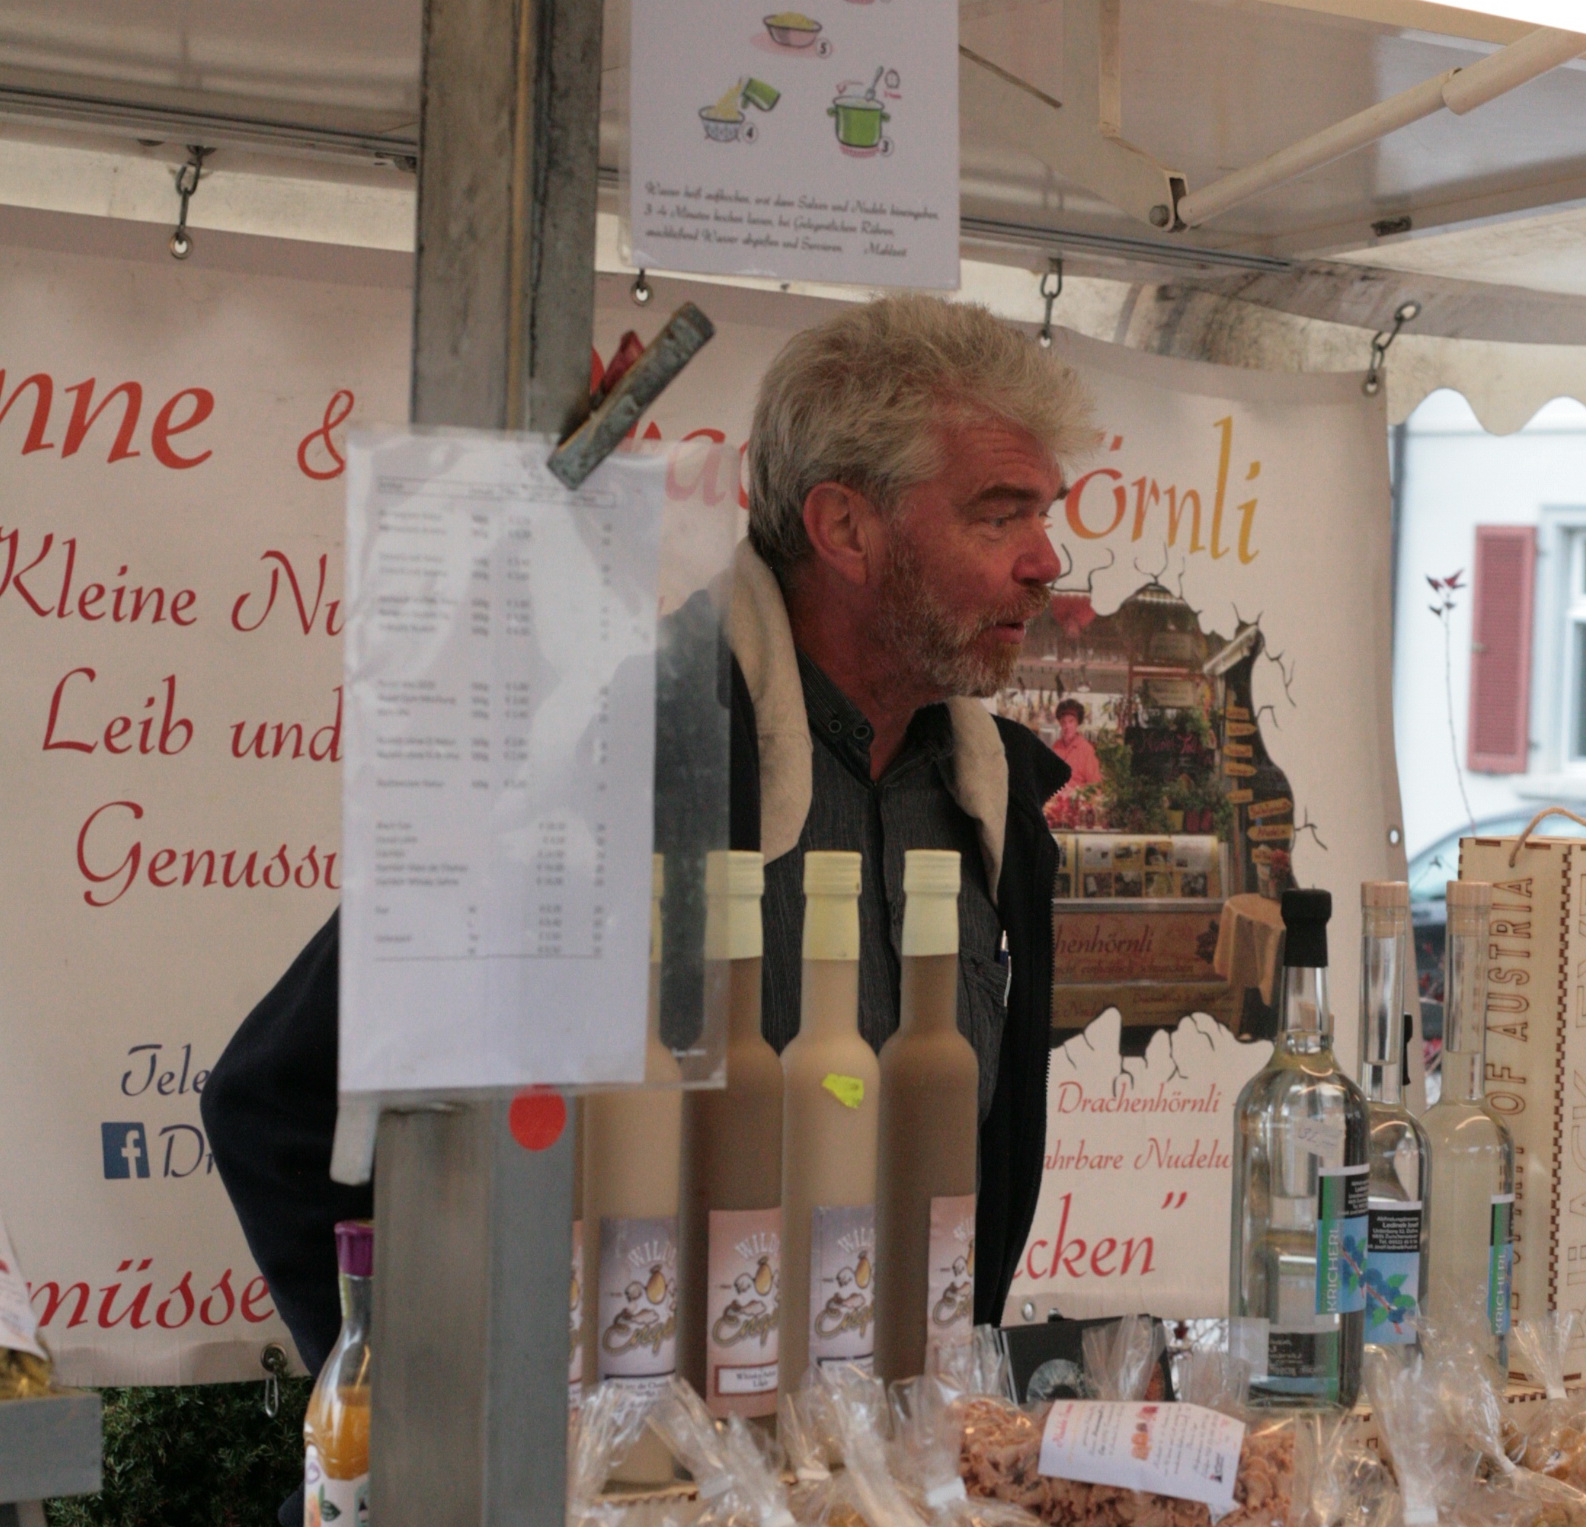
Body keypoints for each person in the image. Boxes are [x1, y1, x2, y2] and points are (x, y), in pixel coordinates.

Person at [201, 295, 1090, 1388]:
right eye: (999, 516)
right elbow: (277, 1101)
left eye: (1044, 514)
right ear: (844, 528)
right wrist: (421, 1402)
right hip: (654, 1472)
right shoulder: (621, 745)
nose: (1047, 559)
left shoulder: (994, 803)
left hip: (896, 1464)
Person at [1049, 698, 1102, 789]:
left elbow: (1096, 786)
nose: (1067, 726)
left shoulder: (1087, 750)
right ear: (1060, 724)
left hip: (1076, 797)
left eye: (1071, 721)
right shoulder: (1056, 746)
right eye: (1064, 722)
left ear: (1078, 723)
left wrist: (1075, 793)